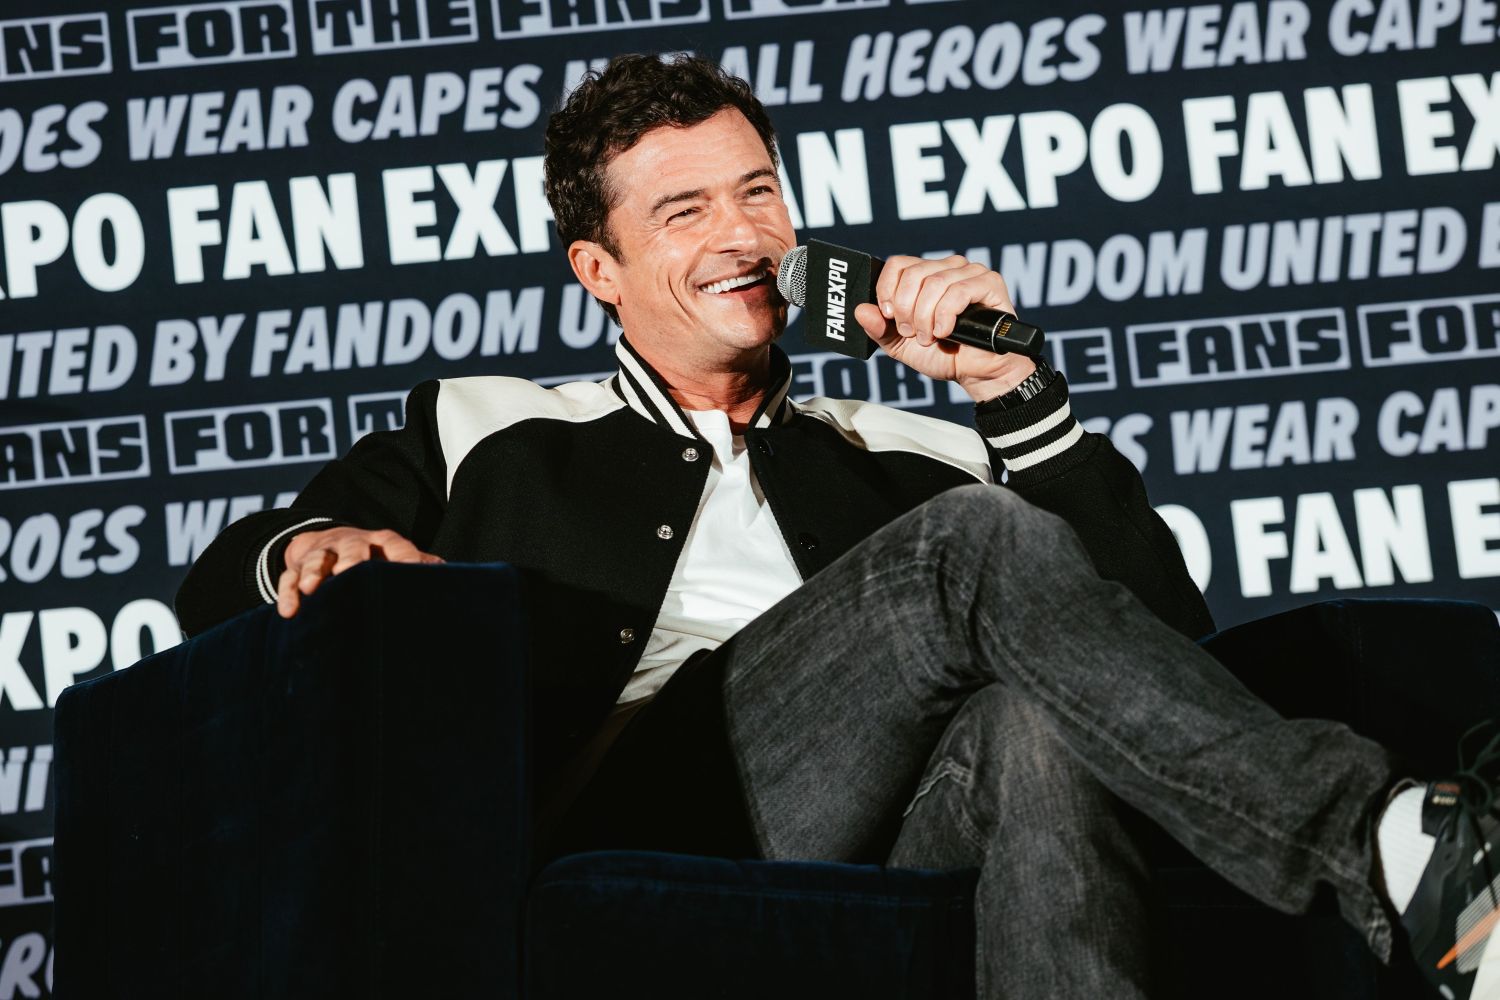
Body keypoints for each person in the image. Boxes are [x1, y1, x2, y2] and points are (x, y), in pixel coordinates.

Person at [175, 53, 1500, 1000]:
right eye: (685, 210)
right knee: (972, 545)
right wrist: (310, 554)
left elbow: (1167, 659)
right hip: (638, 808)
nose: (742, 235)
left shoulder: (911, 452)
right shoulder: (489, 423)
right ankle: (1388, 845)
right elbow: (221, 593)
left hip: (890, 819)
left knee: (1035, 726)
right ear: (601, 270)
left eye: (759, 194)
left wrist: (1014, 397)